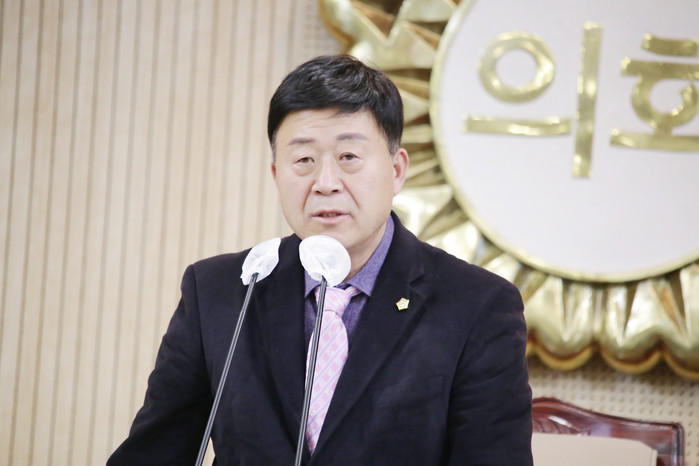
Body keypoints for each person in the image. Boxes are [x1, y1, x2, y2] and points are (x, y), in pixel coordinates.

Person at [108, 55, 532, 465]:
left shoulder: (476, 305)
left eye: (349, 157)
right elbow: (153, 453)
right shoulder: (221, 291)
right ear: (277, 174)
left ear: (396, 171)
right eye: (304, 160)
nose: (325, 183)